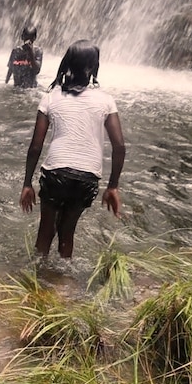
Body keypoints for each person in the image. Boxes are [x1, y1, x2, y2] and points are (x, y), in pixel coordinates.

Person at [19, 39, 126, 258]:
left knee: (45, 233)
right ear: (93, 68)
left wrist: (27, 183)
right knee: (67, 233)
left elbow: (35, 146)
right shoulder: (106, 101)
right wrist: (113, 186)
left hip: (55, 173)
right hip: (87, 178)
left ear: (67, 64)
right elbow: (120, 146)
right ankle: (63, 283)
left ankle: (35, 283)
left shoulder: (50, 98)